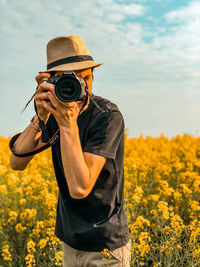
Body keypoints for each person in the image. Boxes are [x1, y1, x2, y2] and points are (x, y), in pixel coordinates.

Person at [9, 35, 131, 266]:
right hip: (70, 242)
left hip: (106, 247)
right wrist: (42, 115)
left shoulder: (107, 116)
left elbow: (80, 187)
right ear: (50, 82)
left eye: (85, 78)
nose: (80, 86)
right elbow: (17, 162)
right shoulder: (53, 111)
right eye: (69, 80)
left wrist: (67, 123)